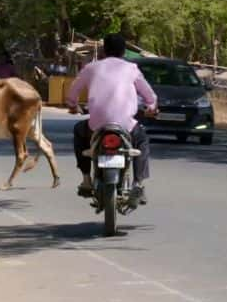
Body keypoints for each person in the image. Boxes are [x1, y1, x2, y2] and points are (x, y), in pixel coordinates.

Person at [66, 34, 158, 206]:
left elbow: (72, 94)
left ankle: (86, 178)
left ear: (103, 50)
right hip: (126, 127)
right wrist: (152, 108)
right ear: (124, 51)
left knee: (79, 130)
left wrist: (73, 106)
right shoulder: (132, 69)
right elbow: (149, 96)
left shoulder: (91, 68)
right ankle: (138, 184)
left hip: (96, 127)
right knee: (142, 139)